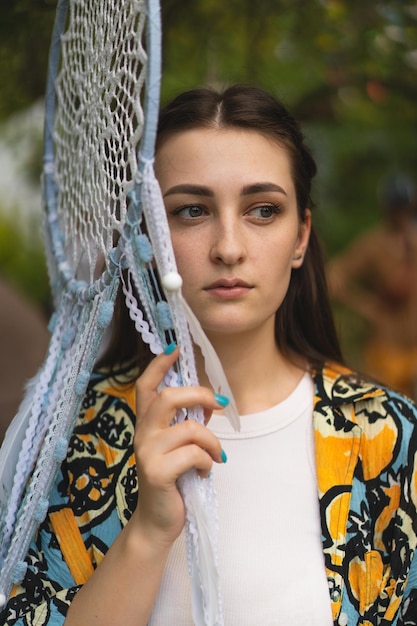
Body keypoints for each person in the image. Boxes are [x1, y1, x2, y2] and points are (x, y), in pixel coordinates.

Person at [2, 85, 417, 626]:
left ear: (300, 237)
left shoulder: (386, 436)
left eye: (262, 211)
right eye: (192, 211)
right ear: (151, 235)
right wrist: (148, 533)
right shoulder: (74, 435)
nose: (228, 246)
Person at [328, 174, 417, 399]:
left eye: (404, 208)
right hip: (386, 348)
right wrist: (366, 306)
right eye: (395, 208)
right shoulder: (373, 245)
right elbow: (334, 276)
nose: (400, 214)